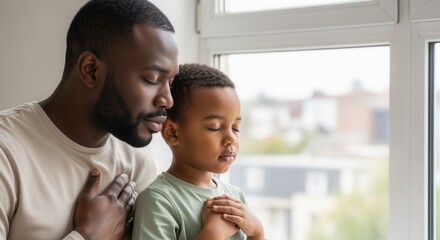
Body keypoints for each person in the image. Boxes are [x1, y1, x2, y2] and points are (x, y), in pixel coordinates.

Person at [0, 0, 178, 239]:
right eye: (152, 79)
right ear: (91, 69)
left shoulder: (137, 164)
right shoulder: (6, 152)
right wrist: (88, 235)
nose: (167, 100)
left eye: (171, 83)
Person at [132, 63, 265, 240]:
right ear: (172, 133)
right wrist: (213, 233)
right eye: (215, 127)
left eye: (236, 128)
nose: (231, 138)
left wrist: (257, 232)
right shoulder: (158, 201)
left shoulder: (235, 197)